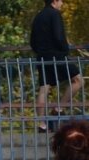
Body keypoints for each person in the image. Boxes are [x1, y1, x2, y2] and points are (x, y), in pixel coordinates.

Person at [30, 0, 83, 133]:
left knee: (44, 89)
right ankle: (58, 108)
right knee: (78, 81)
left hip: (42, 57)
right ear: (55, 1)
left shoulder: (39, 16)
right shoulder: (54, 14)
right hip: (57, 56)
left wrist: (40, 51)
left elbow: (32, 41)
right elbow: (59, 36)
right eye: (61, 1)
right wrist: (65, 50)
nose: (62, 3)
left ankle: (41, 125)